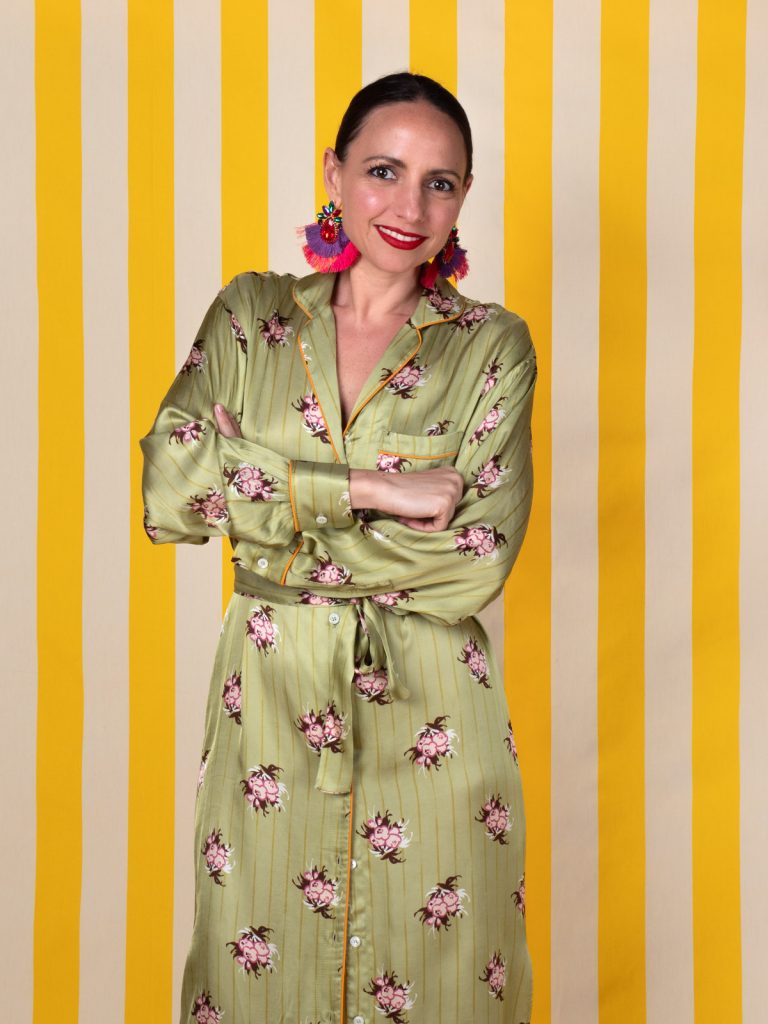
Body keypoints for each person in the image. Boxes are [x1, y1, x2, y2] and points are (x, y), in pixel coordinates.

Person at [140, 71, 536, 1024]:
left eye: (440, 183)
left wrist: (263, 504)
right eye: (383, 171)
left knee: (447, 988)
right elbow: (171, 495)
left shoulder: (491, 347)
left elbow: (474, 561)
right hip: (268, 715)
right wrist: (375, 491)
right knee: (255, 984)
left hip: (437, 723)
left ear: (464, 198)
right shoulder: (251, 319)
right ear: (335, 172)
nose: (409, 207)